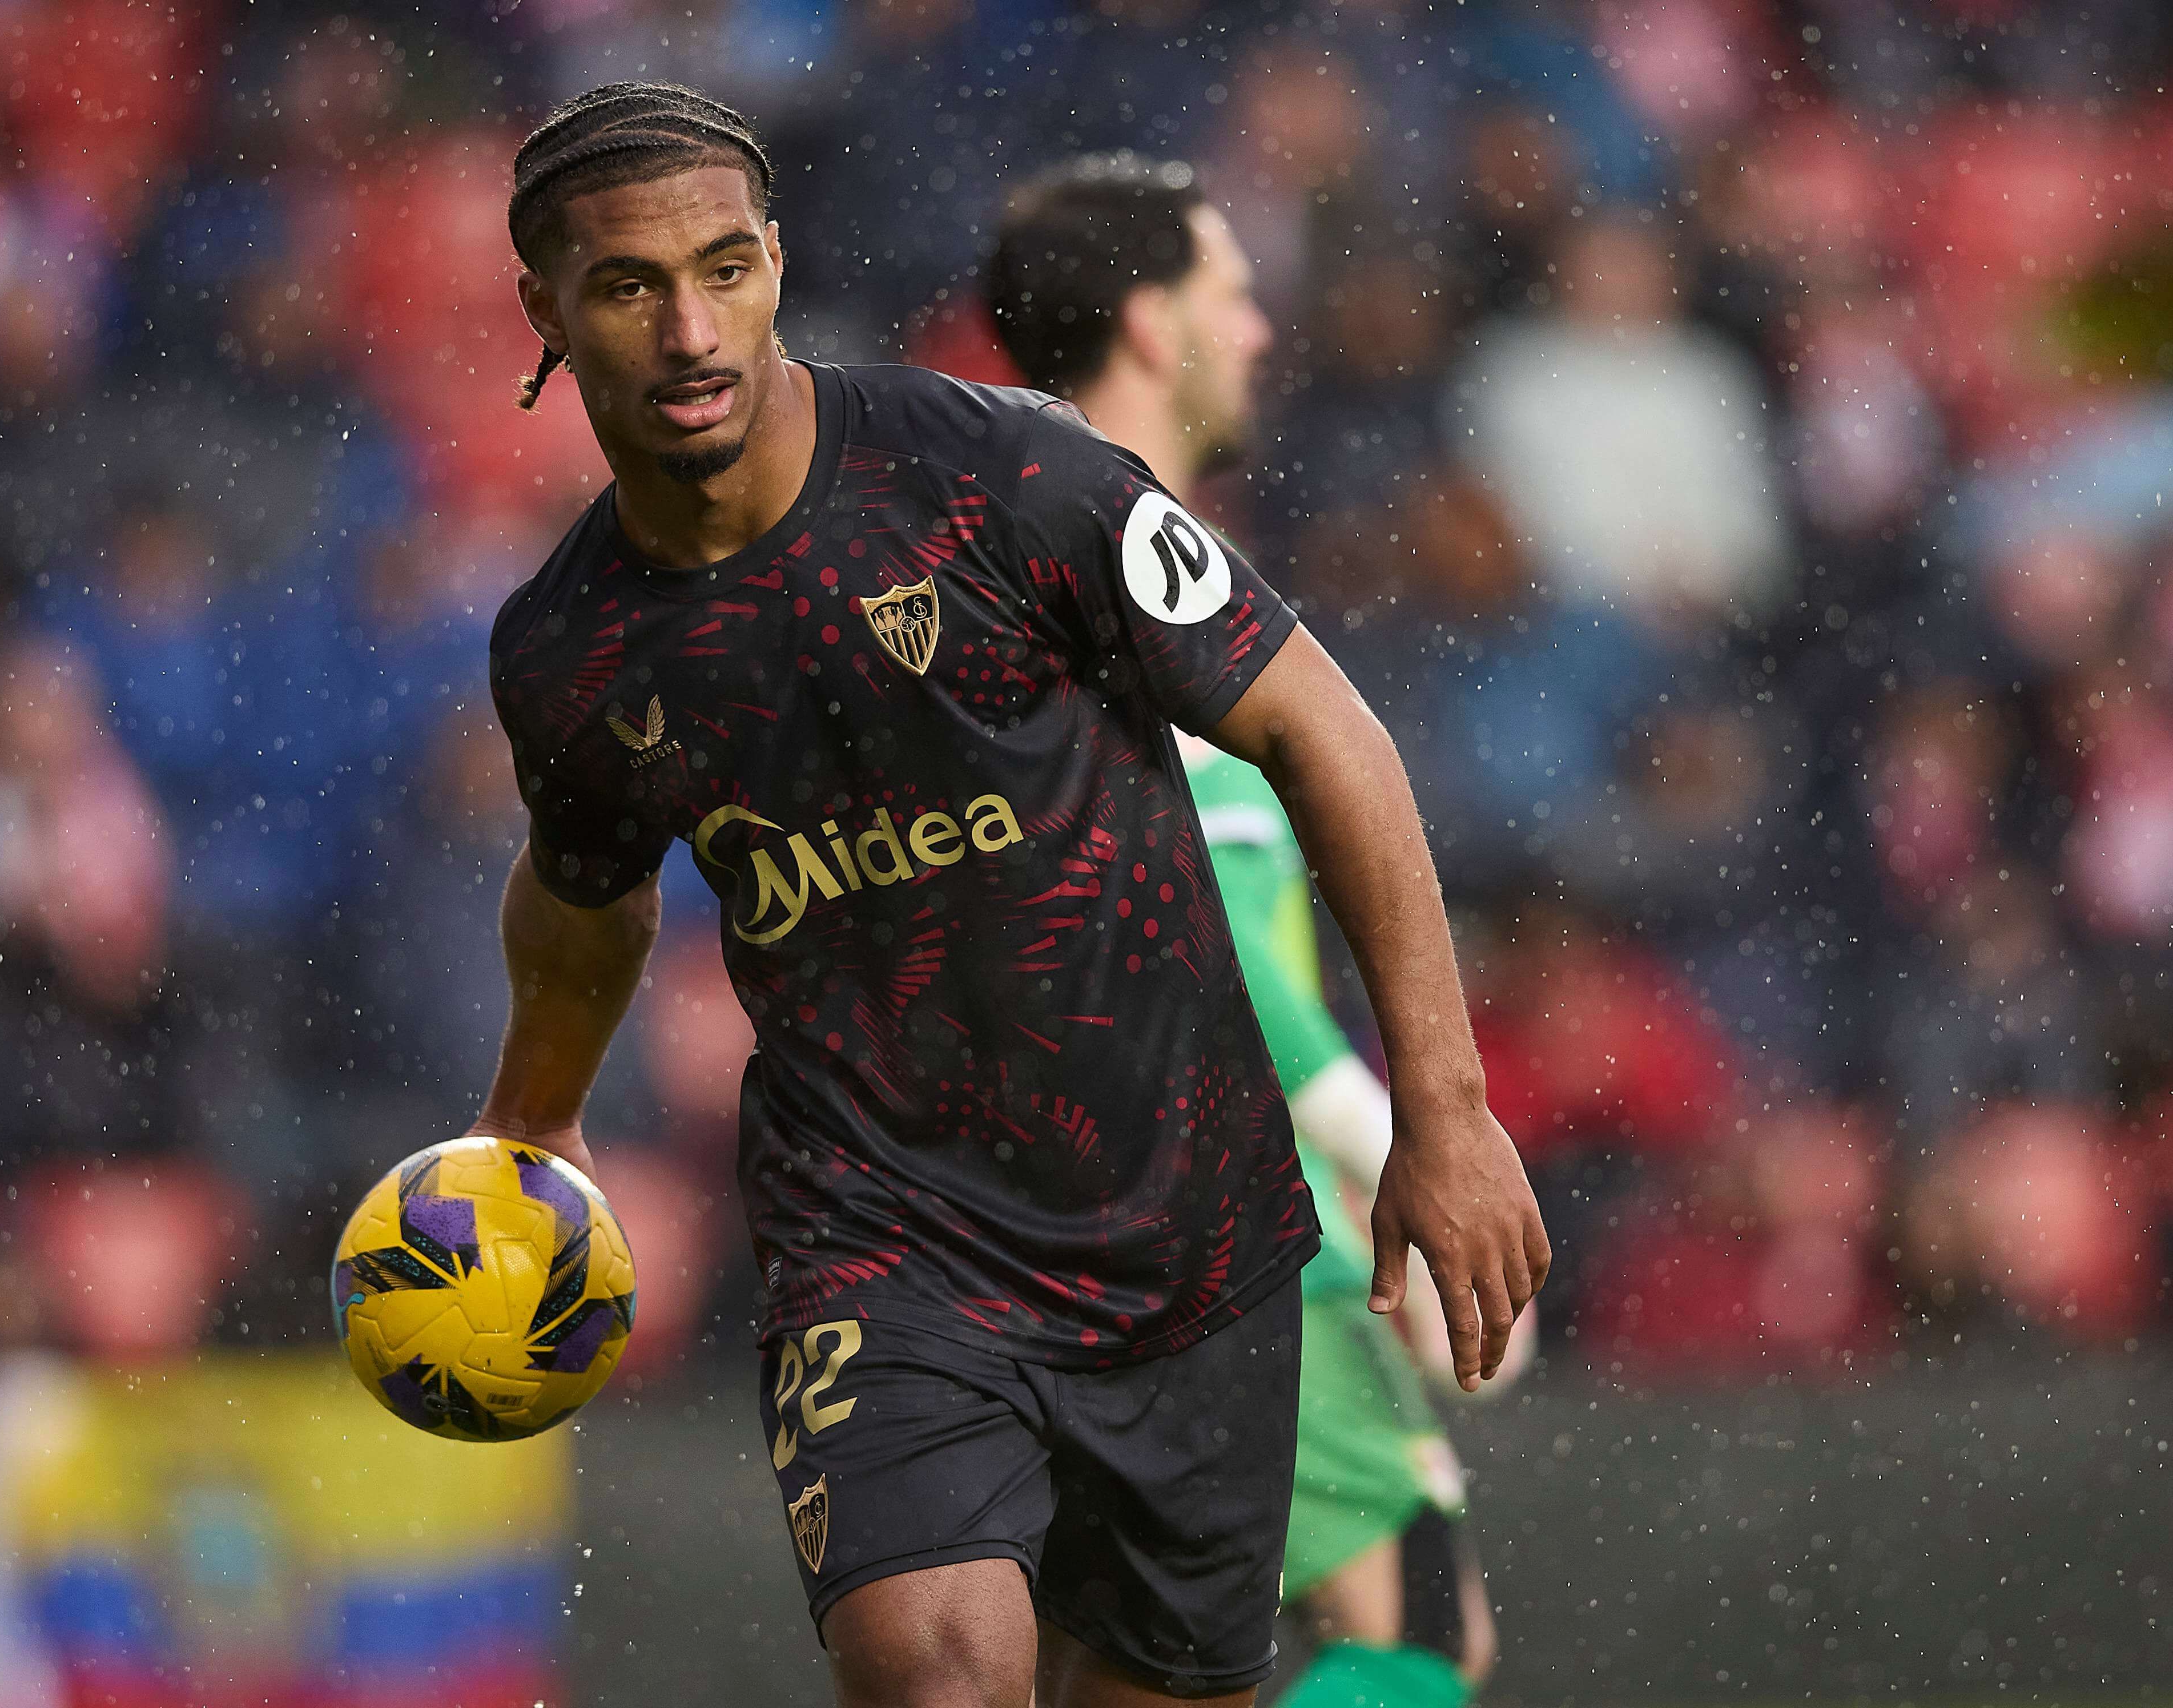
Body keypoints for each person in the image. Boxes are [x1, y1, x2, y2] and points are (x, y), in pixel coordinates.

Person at [477, 85, 1548, 1708]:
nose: (691, 329)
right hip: (882, 1243)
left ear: (776, 262)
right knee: (936, 1674)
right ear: (547, 306)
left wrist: (1445, 1116)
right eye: (628, 287)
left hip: (1188, 1239)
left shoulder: (1009, 479)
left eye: (725, 269)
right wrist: (530, 1130)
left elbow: (1326, 730)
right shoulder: (572, 654)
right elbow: (582, 894)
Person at [984, 154, 1525, 1708]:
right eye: (1234, 292)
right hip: (1219, 1218)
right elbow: (1201, 918)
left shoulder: (1022, 549)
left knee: (1113, 1671)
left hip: (1067, 1214)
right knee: (1416, 1632)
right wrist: (1378, 1132)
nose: (1266, 329)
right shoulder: (1116, 573)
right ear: (1154, 325)